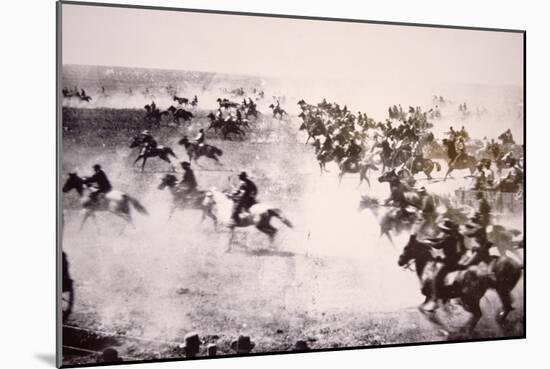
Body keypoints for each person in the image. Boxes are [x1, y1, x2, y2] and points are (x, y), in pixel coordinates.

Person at [423, 219, 467, 311]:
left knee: (436, 278)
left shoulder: (448, 237)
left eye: (443, 229)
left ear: (446, 230)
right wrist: (428, 239)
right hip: (459, 259)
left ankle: (435, 301)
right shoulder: (457, 236)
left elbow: (438, 245)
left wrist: (429, 243)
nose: (442, 231)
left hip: (449, 261)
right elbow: (439, 239)